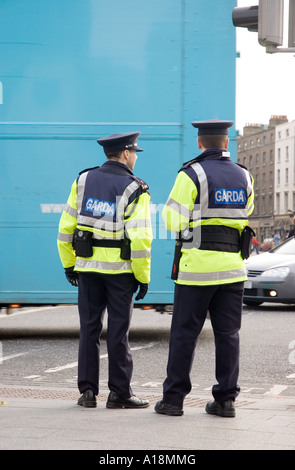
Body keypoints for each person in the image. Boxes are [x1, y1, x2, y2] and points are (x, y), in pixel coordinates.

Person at [155, 120, 254, 418]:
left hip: (196, 268)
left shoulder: (191, 174)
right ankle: (225, 401)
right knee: (228, 334)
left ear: (200, 143)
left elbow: (172, 220)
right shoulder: (244, 176)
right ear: (226, 143)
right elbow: (245, 213)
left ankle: (173, 401)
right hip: (234, 269)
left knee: (185, 332)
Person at [57, 132, 153, 409]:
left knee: (89, 329)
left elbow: (66, 228)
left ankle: (87, 393)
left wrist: (69, 264)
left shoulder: (83, 180)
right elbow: (141, 239)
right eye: (135, 152)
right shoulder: (136, 188)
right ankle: (119, 393)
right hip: (121, 273)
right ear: (125, 153)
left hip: (87, 268)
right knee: (118, 332)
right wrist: (142, 277)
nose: (135, 157)